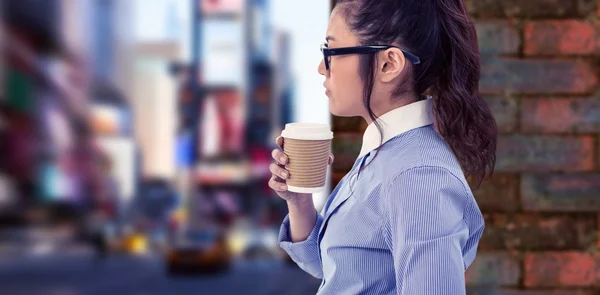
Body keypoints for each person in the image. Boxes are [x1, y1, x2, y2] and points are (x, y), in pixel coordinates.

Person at [269, 0, 497, 294]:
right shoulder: (385, 154)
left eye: (331, 51)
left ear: (388, 64)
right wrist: (298, 201)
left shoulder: (417, 177)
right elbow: (342, 271)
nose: (321, 68)